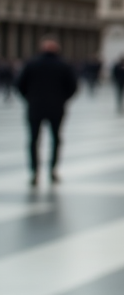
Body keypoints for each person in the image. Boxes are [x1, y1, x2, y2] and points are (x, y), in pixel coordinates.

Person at [16, 39, 78, 186]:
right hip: (56, 108)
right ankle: (53, 170)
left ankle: (34, 172)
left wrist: (29, 98)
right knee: (56, 139)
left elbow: (19, 84)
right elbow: (73, 87)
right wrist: (62, 99)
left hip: (35, 107)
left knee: (33, 140)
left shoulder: (31, 64)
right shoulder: (64, 65)